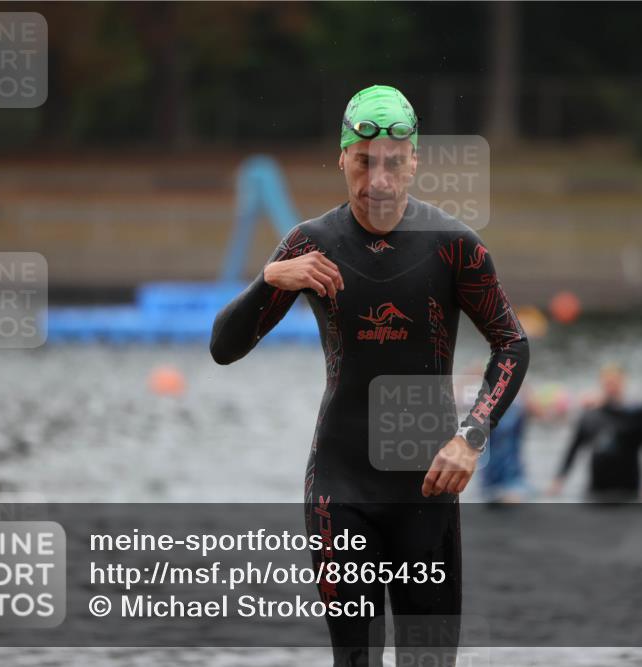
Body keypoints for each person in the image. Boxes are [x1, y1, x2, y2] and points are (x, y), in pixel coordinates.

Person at [210, 84, 530, 666]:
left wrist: (471, 437)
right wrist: (269, 280)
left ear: (413, 161)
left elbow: (511, 343)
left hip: (426, 489)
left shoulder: (455, 246)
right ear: (341, 159)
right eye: (362, 163)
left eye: (390, 162)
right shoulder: (311, 245)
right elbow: (223, 349)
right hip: (341, 489)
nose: (377, 180)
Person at [547, 363, 642, 502]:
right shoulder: (590, 416)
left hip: (629, 490)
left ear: (623, 382)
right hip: (597, 490)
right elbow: (573, 449)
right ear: (601, 384)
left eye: (615, 383)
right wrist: (559, 479)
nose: (611, 387)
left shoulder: (636, 415)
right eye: (607, 383)